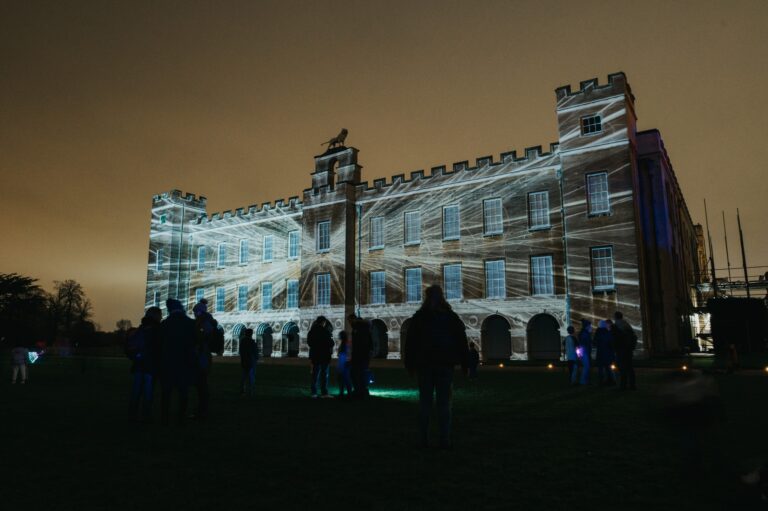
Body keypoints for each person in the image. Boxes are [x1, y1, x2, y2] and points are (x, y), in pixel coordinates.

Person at [404, 285, 469, 449]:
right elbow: (461, 340)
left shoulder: (419, 317)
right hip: (445, 364)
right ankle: (444, 439)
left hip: (425, 364)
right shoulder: (450, 316)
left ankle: (423, 439)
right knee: (444, 404)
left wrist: (410, 364)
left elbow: (410, 343)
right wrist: (465, 364)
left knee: (425, 403)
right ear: (442, 297)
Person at [159, 299, 197, 425]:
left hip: (168, 363)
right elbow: (195, 342)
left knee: (166, 392)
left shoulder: (165, 324)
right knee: (183, 392)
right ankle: (181, 417)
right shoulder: (190, 323)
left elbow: (159, 345)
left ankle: (164, 417)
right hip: (184, 362)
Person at [127, 307, 162, 421]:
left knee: (136, 390)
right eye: (159, 315)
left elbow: (131, 345)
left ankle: (133, 414)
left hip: (139, 363)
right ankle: (146, 415)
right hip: (150, 364)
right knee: (148, 391)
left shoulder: (141, 328)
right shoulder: (157, 329)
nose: (161, 317)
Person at [192, 299, 218, 418]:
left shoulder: (205, 323)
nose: (194, 314)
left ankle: (202, 410)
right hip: (203, 355)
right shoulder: (206, 321)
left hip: (202, 356)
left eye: (196, 311)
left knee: (201, 384)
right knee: (201, 384)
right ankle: (202, 408)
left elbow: (203, 338)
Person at [307, 316, 334, 398]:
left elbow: (309, 343)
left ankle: (314, 393)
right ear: (323, 322)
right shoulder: (325, 331)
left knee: (315, 375)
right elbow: (331, 343)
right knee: (324, 374)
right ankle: (324, 393)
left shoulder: (311, 331)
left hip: (315, 355)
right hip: (324, 355)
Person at [613, 311, 638, 390]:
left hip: (621, 350)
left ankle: (623, 385)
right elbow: (634, 336)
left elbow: (615, 339)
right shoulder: (626, 325)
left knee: (622, 368)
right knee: (629, 367)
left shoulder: (617, 326)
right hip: (628, 350)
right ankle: (632, 385)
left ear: (615, 317)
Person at [349, 315, 372, 398]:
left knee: (356, 373)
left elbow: (358, 344)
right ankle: (363, 390)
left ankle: (359, 391)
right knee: (361, 373)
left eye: (350, 321)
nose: (350, 323)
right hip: (364, 355)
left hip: (359, 355)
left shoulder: (358, 329)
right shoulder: (365, 329)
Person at [594, 320, 616, 386]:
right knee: (608, 368)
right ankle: (610, 380)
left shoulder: (597, 333)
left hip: (600, 354)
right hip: (607, 354)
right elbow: (611, 344)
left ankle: (601, 381)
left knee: (601, 369)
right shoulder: (608, 333)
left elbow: (595, 343)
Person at [239, 328, 258, 396]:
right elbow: (255, 352)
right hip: (250, 361)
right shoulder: (251, 341)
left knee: (243, 376)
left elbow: (240, 351)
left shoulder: (242, 341)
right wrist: (256, 358)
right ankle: (251, 391)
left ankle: (242, 390)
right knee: (251, 377)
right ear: (250, 334)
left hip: (244, 361)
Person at [336, 331, 352, 397]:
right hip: (344, 363)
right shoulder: (346, 344)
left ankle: (344, 393)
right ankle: (346, 393)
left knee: (343, 378)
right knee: (345, 378)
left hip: (343, 363)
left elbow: (344, 354)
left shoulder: (345, 344)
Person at [578, 319, 593, 385]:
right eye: (590, 326)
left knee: (586, 366)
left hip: (584, 351)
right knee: (586, 366)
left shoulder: (584, 333)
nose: (591, 327)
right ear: (587, 326)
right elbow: (586, 343)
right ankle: (583, 381)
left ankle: (585, 381)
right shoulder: (585, 334)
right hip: (584, 351)